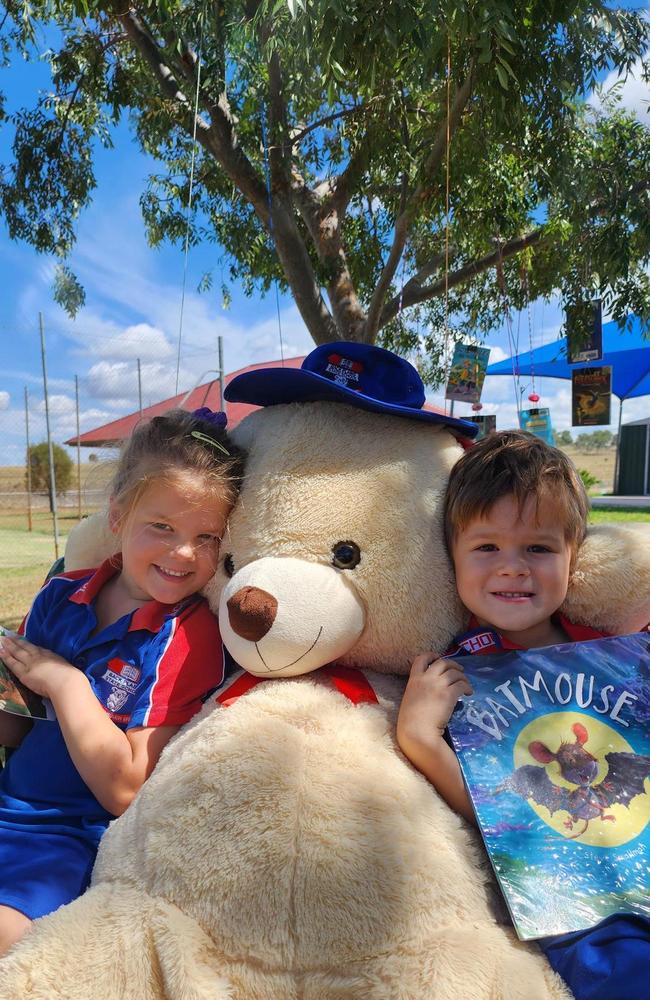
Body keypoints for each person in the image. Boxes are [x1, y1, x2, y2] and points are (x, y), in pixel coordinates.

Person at [396, 429, 649, 1000]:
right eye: (487, 548)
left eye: (538, 548)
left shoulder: (616, 651)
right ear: (451, 560)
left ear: (571, 556)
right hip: (581, 903)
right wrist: (419, 736)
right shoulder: (455, 675)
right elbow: (498, 802)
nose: (512, 568)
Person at [0, 407, 244, 956]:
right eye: (162, 527)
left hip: (67, 841)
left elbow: (124, 791)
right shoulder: (61, 593)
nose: (183, 553)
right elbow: (19, 727)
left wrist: (66, 684)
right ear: (117, 515)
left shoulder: (188, 635)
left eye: (206, 536)